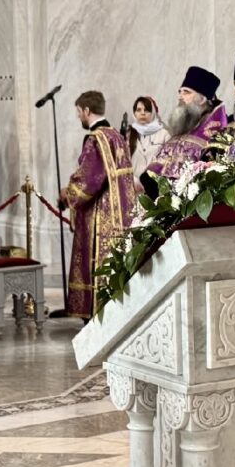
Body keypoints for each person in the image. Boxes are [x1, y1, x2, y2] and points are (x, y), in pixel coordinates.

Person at [59, 90, 133, 319]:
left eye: (78, 112)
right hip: (121, 213)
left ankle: (94, 315)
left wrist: (68, 194)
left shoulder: (96, 139)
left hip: (100, 216)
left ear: (86, 110)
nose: (78, 117)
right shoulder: (117, 136)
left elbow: (89, 179)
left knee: (94, 265)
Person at [144, 65, 227, 191]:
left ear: (202, 99)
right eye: (180, 92)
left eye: (186, 92)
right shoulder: (186, 125)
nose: (180, 96)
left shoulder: (215, 134)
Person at [128, 95, 168, 181]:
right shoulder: (128, 134)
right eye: (139, 110)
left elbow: (169, 162)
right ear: (134, 113)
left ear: (153, 113)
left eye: (146, 110)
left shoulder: (164, 134)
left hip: (154, 184)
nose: (142, 113)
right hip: (132, 184)